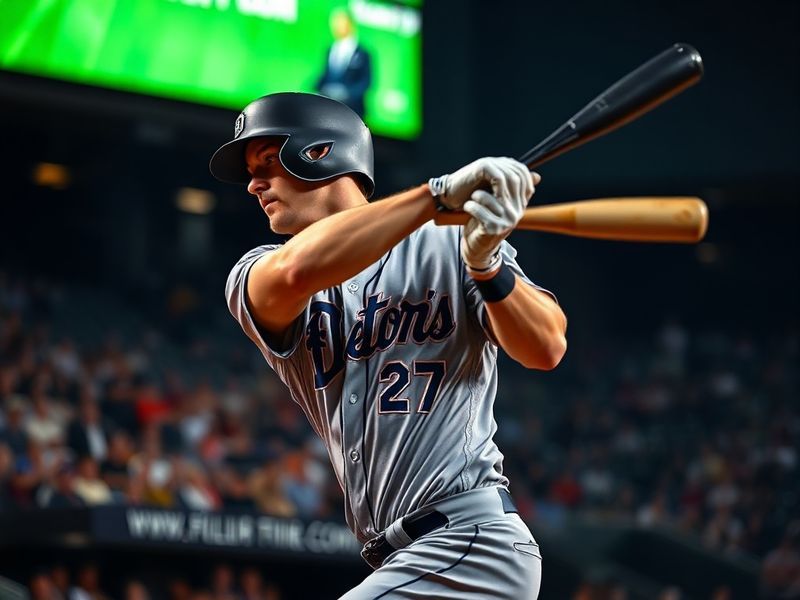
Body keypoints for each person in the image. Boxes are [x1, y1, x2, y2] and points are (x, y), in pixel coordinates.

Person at [210, 92, 567, 598]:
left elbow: (546, 346)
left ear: (319, 153)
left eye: (268, 162)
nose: (253, 184)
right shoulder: (256, 271)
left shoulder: (450, 242)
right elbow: (295, 271)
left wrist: (487, 266)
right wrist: (434, 197)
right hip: (401, 558)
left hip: (469, 544)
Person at [315, 8, 372, 118]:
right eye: (335, 23)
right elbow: (325, 75)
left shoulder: (363, 53)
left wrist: (346, 94)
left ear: (350, 23)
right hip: (329, 110)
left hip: (353, 113)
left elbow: (366, 83)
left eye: (341, 22)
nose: (337, 26)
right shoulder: (330, 49)